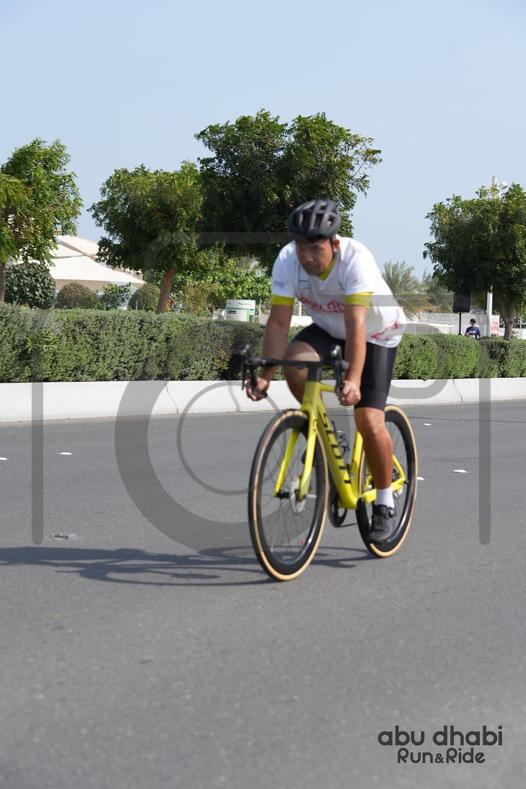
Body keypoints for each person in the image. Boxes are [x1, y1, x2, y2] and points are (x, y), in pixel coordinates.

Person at [246, 198, 406, 543]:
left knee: (368, 420)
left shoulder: (356, 259)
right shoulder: (287, 261)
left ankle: (384, 501)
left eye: (315, 248)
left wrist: (353, 379)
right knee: (295, 365)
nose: (306, 257)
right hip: (328, 329)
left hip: (376, 333)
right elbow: (278, 323)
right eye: (301, 247)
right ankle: (323, 435)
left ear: (334, 243)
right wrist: (266, 375)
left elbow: (357, 326)